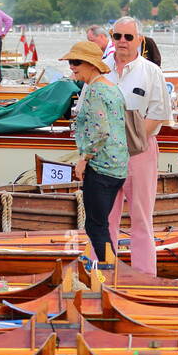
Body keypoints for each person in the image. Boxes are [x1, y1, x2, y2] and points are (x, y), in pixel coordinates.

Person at [106, 17, 171, 275]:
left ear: (139, 41)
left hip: (140, 153)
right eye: (117, 36)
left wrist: (131, 139)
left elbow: (159, 112)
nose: (122, 41)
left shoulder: (152, 72)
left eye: (128, 37)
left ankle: (144, 277)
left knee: (141, 219)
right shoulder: (100, 68)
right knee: (104, 218)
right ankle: (103, 272)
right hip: (105, 155)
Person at [63, 39, 128, 262]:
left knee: (95, 225)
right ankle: (112, 270)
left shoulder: (95, 91)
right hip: (118, 167)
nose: (72, 66)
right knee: (101, 224)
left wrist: (84, 159)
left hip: (101, 167)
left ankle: (112, 273)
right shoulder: (112, 87)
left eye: (76, 62)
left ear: (92, 64)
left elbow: (100, 131)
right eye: (71, 62)